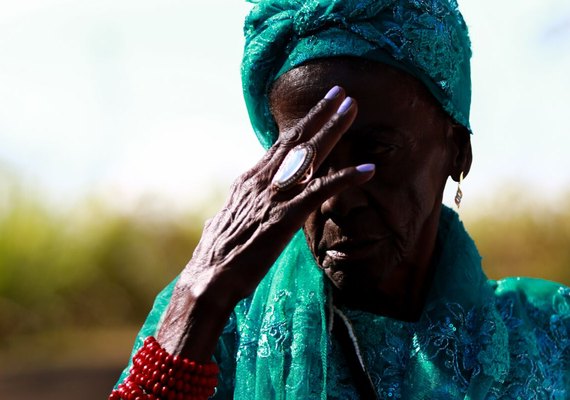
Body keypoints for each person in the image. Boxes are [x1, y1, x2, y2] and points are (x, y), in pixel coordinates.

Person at [111, 0, 570, 399]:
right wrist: (199, 302)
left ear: (457, 151)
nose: (335, 200)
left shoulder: (550, 338)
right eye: (306, 161)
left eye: (376, 151)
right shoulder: (217, 334)